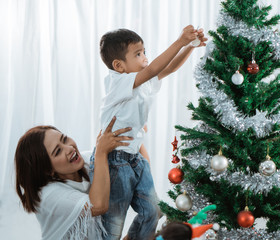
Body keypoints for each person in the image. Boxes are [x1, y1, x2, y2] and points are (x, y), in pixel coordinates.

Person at [92, 25, 207, 240]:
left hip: (134, 158)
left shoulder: (138, 81)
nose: (145, 57)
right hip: (115, 160)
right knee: (114, 222)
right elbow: (154, 69)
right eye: (138, 54)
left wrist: (190, 46)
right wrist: (180, 41)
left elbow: (168, 68)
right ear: (119, 65)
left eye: (144, 52)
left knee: (153, 210)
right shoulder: (118, 81)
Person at [14, 117, 132, 239]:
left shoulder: (86, 161)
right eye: (58, 151)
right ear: (47, 170)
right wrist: (101, 152)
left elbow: (132, 167)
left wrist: (134, 135)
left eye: (64, 139)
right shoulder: (48, 195)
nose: (69, 148)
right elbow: (98, 206)